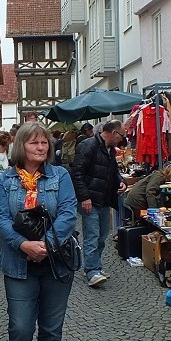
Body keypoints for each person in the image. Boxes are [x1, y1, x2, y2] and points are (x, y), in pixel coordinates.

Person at [0, 121, 78, 341]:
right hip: (18, 263)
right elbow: (1, 218)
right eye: (34, 143)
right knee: (20, 329)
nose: (41, 147)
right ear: (22, 146)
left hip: (56, 264)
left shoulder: (60, 175)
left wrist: (45, 245)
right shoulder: (5, 180)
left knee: (52, 330)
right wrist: (23, 245)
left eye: (44, 143)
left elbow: (69, 211)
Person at [71, 121, 125, 287]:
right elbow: (77, 173)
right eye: (122, 135)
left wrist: (121, 182)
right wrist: (85, 197)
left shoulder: (109, 150)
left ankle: (96, 266)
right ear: (114, 133)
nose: (122, 139)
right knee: (92, 235)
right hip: (91, 199)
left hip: (104, 198)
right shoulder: (88, 146)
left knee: (102, 235)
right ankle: (92, 270)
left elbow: (113, 171)